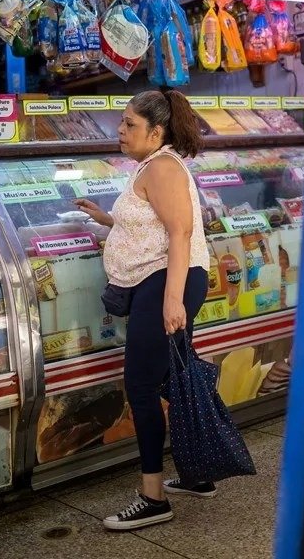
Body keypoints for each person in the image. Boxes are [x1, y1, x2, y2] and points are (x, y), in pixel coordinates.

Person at [74, 90, 212, 531]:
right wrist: (106, 219)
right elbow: (150, 223)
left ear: (157, 131)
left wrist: (172, 298)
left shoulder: (163, 167)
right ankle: (198, 471)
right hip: (166, 279)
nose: (120, 130)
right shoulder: (153, 164)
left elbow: (179, 232)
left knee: (141, 384)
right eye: (122, 122)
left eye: (130, 124)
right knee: (175, 377)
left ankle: (153, 498)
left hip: (167, 281)